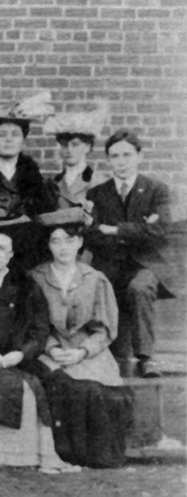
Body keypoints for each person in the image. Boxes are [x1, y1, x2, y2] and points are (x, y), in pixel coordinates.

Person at [0, 208, 78, 474]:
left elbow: (39, 329)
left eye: (2, 248)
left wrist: (20, 354)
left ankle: (46, 451)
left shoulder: (26, 284)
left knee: (52, 383)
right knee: (10, 384)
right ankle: (2, 452)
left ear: (11, 253)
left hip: (20, 358)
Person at [29, 208, 133, 468]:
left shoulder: (95, 279)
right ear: (48, 245)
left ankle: (98, 455)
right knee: (69, 387)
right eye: (56, 241)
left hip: (88, 351)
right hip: (48, 350)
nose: (63, 247)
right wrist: (52, 349)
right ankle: (69, 453)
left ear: (80, 242)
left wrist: (83, 352)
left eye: (69, 240)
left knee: (102, 392)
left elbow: (105, 328)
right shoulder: (36, 278)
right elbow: (32, 324)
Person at [85, 130, 174, 378]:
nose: (121, 161)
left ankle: (146, 358)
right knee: (99, 286)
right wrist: (139, 229)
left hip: (146, 264)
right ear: (108, 160)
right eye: (115, 156)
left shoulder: (156, 189)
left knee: (139, 287)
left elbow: (159, 230)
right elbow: (92, 234)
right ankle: (106, 355)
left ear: (139, 156)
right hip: (110, 263)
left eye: (127, 154)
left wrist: (114, 229)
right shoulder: (97, 194)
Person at [0, 92, 58, 269]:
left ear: (23, 141)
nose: (8, 139)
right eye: (2, 134)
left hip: (26, 256)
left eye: (15, 134)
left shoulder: (37, 181)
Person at [43, 103, 110, 210]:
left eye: (75, 144)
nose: (69, 150)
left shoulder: (99, 182)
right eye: (65, 145)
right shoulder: (54, 183)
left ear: (87, 147)